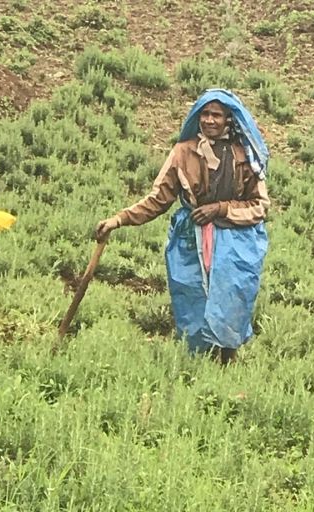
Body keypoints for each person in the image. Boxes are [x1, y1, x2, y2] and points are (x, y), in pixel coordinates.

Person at [95, 89, 270, 364]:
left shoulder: (244, 155)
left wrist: (222, 209)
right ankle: (197, 365)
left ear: (228, 120)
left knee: (232, 297)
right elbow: (158, 199)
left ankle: (228, 360)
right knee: (192, 297)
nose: (210, 120)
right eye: (205, 114)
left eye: (217, 115)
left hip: (237, 242)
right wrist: (120, 219)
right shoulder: (182, 153)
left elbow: (260, 205)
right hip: (192, 239)